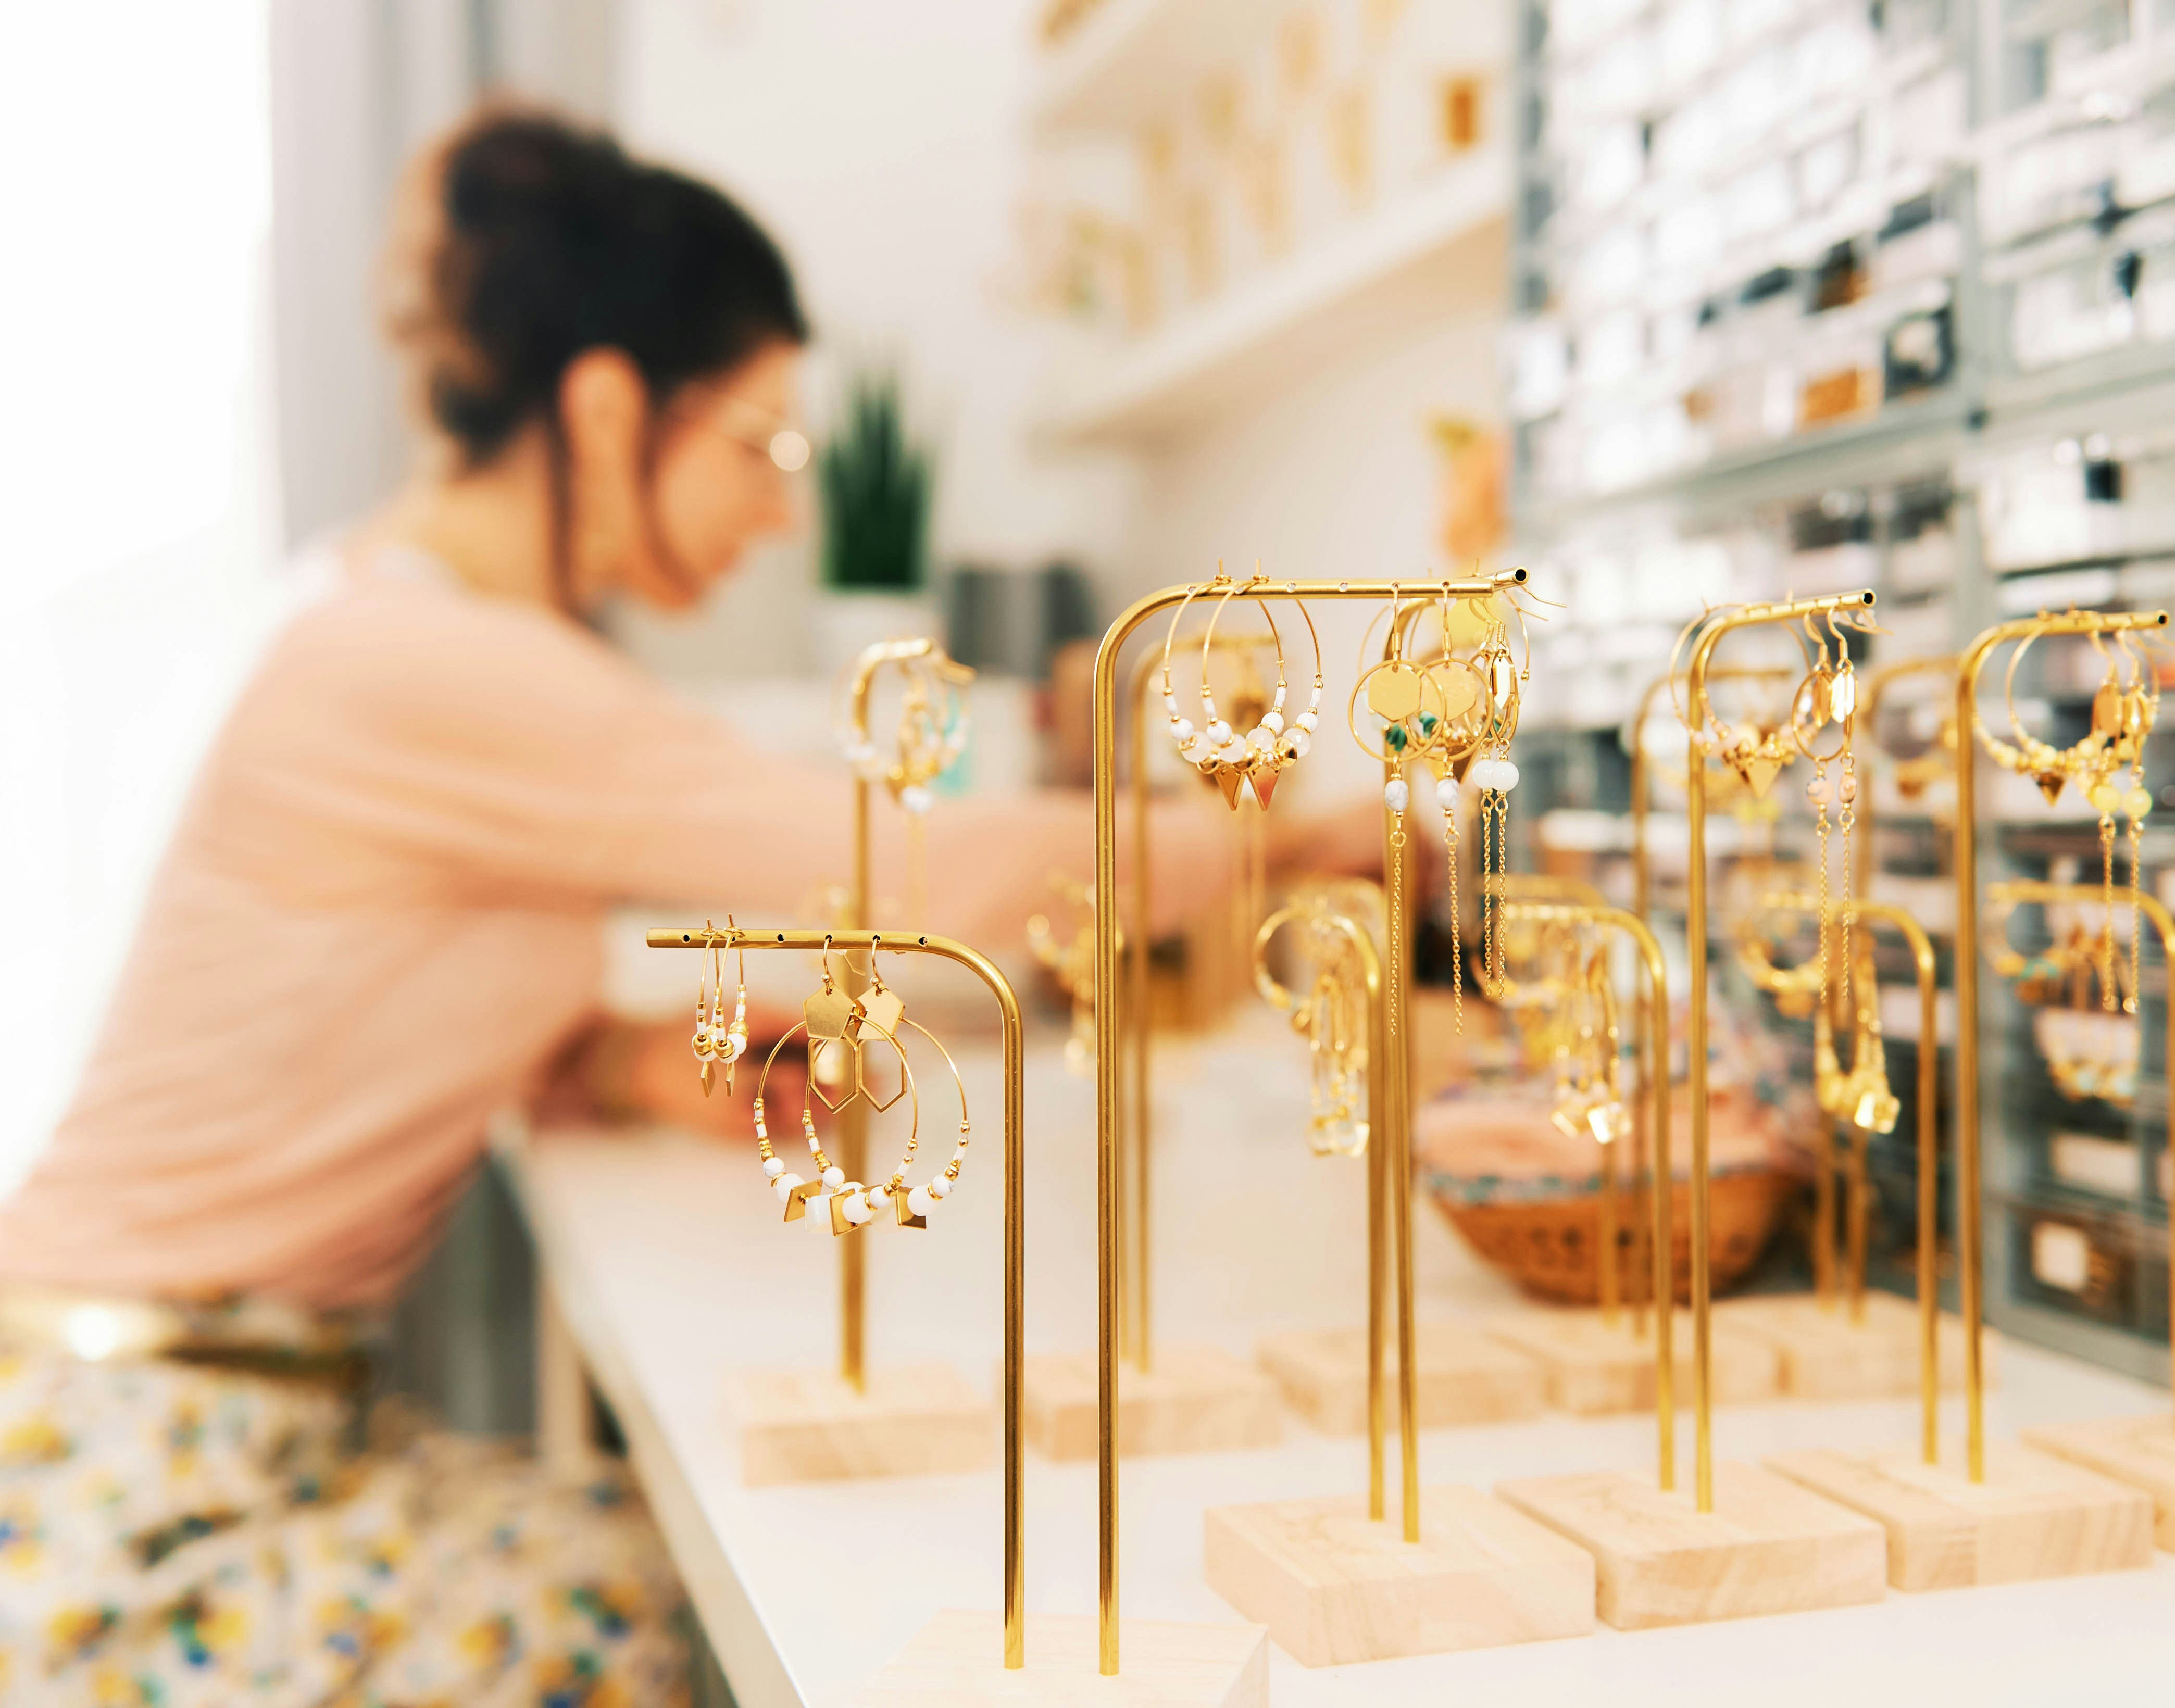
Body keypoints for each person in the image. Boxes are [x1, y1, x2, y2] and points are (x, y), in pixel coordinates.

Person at [0, 108, 1344, 1706]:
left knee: (712, 1561)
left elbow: (385, 1003)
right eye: (756, 447)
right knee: (695, 1607)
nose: (782, 508)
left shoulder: (382, 616)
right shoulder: (432, 666)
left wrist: (629, 1064)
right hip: (124, 1491)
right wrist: (1309, 837)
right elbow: (911, 869)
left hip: (173, 1424)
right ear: (604, 400)